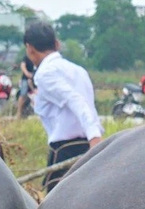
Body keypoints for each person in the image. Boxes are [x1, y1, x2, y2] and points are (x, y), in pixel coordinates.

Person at [23, 20, 103, 172]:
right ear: (57, 44)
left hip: (66, 149)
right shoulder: (79, 70)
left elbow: (75, 100)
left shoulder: (44, 74)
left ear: (30, 49)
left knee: (57, 194)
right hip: (86, 145)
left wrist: (94, 136)